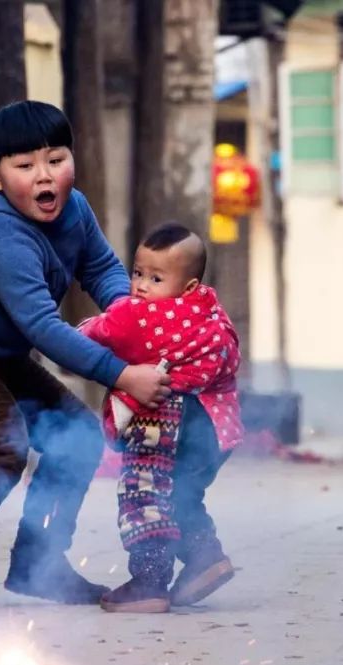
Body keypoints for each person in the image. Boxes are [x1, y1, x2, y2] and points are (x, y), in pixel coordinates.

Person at [0, 100, 171, 612]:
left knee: (79, 438)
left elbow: (103, 270)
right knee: (2, 441)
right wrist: (122, 374)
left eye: (56, 159)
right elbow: (43, 327)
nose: (44, 176)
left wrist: (136, 320)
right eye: (24, 167)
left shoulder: (76, 210)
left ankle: (37, 565)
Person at [78, 222, 243, 613]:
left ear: (187, 285)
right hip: (215, 430)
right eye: (137, 273)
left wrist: (77, 328)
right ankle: (206, 558)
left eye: (155, 277)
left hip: (163, 424)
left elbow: (88, 335)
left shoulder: (137, 316)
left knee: (145, 495)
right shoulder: (212, 313)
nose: (140, 286)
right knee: (182, 495)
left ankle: (150, 582)